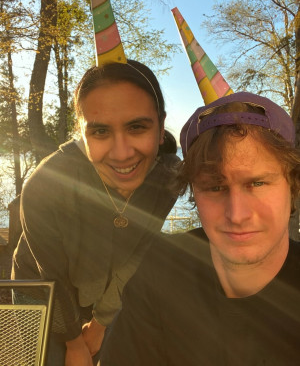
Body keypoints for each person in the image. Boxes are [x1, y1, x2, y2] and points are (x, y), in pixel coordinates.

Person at [100, 91, 300, 366]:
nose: (237, 214)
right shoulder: (162, 272)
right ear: (194, 192)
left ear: (292, 185)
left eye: (257, 183)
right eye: (215, 187)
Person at [11, 59, 179, 366]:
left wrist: (100, 324)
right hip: (40, 292)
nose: (122, 152)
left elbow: (137, 255)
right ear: (81, 132)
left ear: (160, 126)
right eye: (100, 131)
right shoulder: (47, 184)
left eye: (137, 126)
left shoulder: (167, 178)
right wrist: (74, 344)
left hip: (103, 291)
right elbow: (51, 277)